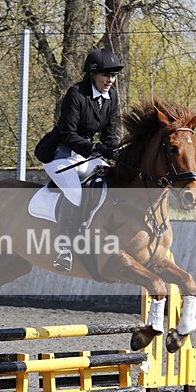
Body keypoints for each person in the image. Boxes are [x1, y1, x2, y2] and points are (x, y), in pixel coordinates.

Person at [34, 47, 123, 272]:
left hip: (85, 154)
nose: (110, 80)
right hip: (59, 154)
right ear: (93, 73)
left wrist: (117, 151)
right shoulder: (76, 94)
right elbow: (67, 133)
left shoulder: (111, 97)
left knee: (109, 181)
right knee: (75, 191)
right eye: (106, 75)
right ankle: (64, 250)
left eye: (113, 75)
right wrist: (96, 148)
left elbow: (109, 136)